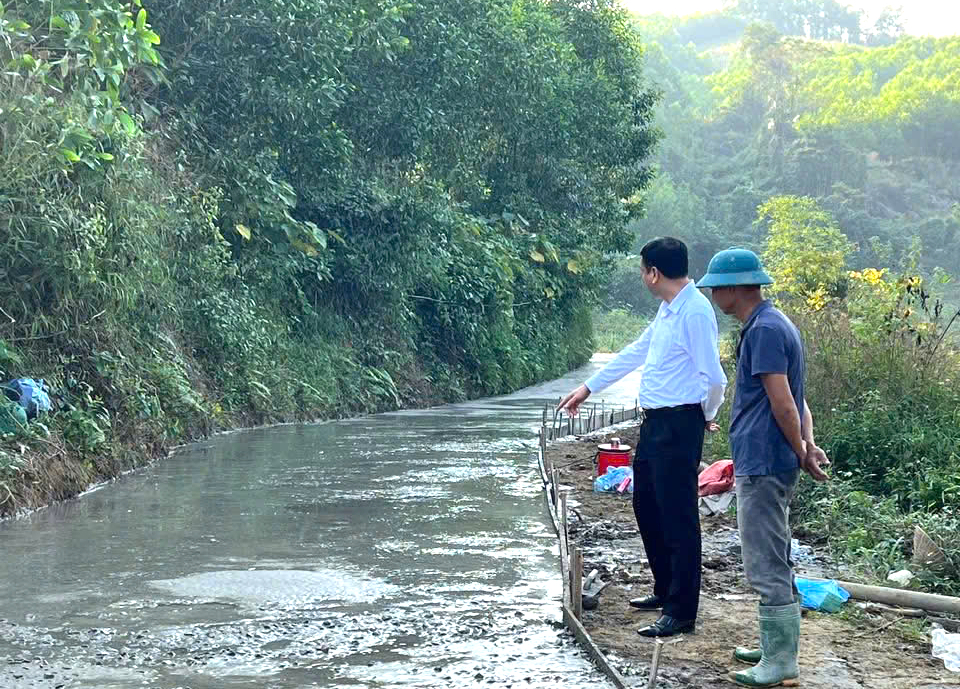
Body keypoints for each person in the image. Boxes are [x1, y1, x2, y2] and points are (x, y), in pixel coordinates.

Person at [558, 237, 727, 637]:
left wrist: (705, 415)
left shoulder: (695, 312)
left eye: (642, 270)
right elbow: (636, 351)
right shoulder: (669, 308)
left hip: (680, 423)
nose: (642, 277)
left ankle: (681, 611)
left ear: (653, 272)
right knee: (646, 504)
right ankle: (665, 589)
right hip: (655, 423)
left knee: (679, 516)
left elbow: (714, 378)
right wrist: (588, 388)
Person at [697, 248, 830, 688]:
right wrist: (806, 445)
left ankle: (780, 662)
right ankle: (775, 646)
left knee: (764, 561)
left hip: (765, 461)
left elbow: (784, 403)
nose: (713, 295)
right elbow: (799, 400)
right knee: (776, 552)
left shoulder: (764, 331)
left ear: (735, 288)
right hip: (771, 458)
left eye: (716, 287)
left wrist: (801, 449)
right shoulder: (774, 324)